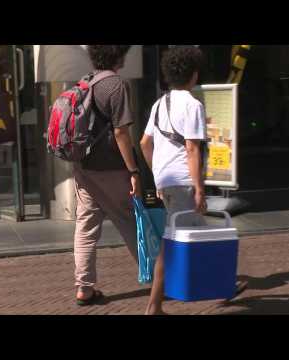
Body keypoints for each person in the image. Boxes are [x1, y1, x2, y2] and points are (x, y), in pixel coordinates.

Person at [140, 46, 209, 315]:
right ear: (193, 74)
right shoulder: (193, 105)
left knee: (191, 236)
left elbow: (145, 143)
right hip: (183, 182)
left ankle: (220, 284)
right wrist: (200, 188)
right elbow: (192, 149)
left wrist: (158, 175)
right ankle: (153, 306)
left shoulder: (160, 104)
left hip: (167, 183)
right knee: (173, 244)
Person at [73, 45, 141, 306]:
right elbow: (122, 133)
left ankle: (84, 287)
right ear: (119, 56)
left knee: (86, 227)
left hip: (83, 167)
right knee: (129, 220)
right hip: (111, 167)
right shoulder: (117, 85)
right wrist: (133, 170)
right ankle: (159, 275)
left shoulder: (84, 83)